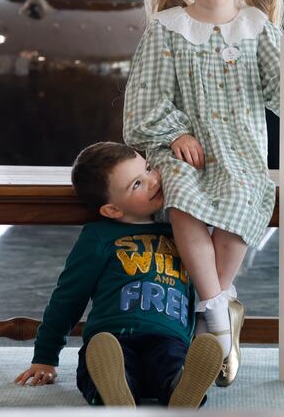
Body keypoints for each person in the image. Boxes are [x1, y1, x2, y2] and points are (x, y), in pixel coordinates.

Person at [123, 0, 284, 387]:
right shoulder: (166, 30)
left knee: (242, 199)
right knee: (182, 199)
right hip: (183, 152)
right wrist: (176, 136)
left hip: (241, 155)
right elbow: (145, 102)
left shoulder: (258, 29)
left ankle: (207, 312)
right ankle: (217, 316)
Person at [14, 142, 223, 408]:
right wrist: (45, 357)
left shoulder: (183, 232)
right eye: (136, 184)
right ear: (113, 209)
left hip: (167, 338)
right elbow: (67, 298)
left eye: (148, 168)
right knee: (100, 362)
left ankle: (182, 388)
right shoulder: (99, 237)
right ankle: (114, 388)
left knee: (173, 362)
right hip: (113, 339)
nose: (152, 180)